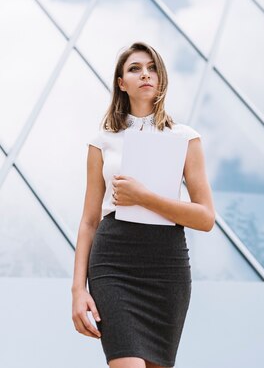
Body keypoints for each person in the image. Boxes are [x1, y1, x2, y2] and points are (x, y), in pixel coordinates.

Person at [71, 41, 216, 368]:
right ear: (121, 83)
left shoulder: (185, 138)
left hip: (166, 266)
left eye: (152, 68)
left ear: (161, 79)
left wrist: (143, 197)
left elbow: (206, 218)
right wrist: (78, 290)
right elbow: (89, 221)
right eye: (135, 68)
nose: (145, 74)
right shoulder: (102, 141)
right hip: (114, 262)